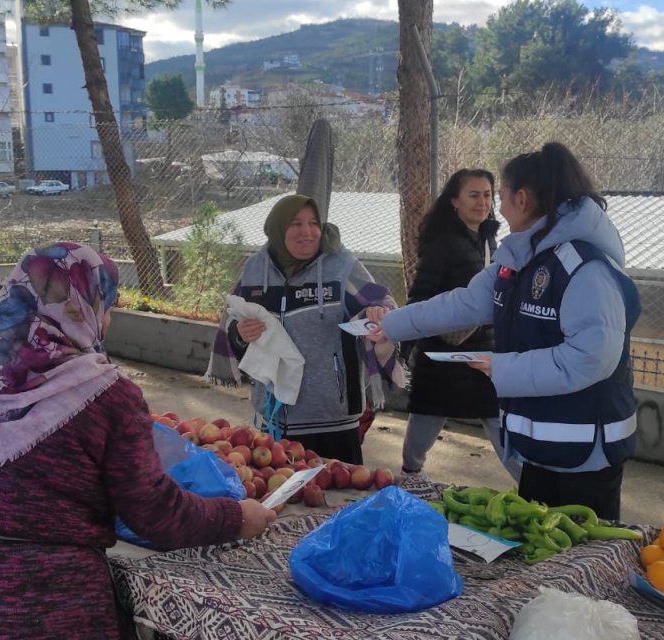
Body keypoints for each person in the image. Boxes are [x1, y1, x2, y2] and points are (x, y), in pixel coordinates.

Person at [0, 243, 276, 639]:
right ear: (86, 306)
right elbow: (155, 514)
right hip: (41, 608)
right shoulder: (107, 394)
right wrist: (238, 518)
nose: (107, 323)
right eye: (108, 308)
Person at [369, 143, 641, 520]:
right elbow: (463, 304)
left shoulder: (585, 269)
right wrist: (391, 325)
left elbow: (590, 359)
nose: (497, 207)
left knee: (578, 564)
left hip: (584, 459)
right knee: (538, 555)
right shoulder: (519, 259)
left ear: (523, 199)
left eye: (502, 197)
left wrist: (503, 368)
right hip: (538, 449)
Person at [208, 195, 403, 464]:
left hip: (333, 417)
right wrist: (241, 334)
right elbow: (231, 321)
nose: (307, 232)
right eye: (296, 223)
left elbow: (381, 301)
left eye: (314, 223)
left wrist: (379, 317)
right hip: (275, 415)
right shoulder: (255, 270)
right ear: (277, 228)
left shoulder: (342, 266)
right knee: (282, 497)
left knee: (341, 495)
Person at [399, 168, 521, 481]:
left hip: (482, 353)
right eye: (473, 195)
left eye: (487, 195)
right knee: (427, 417)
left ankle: (531, 484)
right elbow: (420, 298)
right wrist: (407, 343)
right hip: (443, 355)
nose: (482, 202)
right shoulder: (443, 245)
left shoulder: (490, 240)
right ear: (454, 201)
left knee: (497, 421)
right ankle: (409, 478)